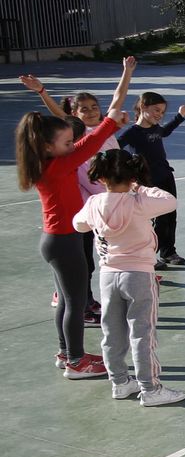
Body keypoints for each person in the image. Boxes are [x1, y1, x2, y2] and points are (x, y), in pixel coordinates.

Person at [15, 62, 137, 378]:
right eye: (66, 143)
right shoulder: (55, 167)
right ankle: (77, 361)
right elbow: (90, 145)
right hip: (65, 241)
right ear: (47, 146)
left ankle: (66, 353)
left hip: (55, 240)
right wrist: (110, 122)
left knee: (67, 302)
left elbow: (82, 143)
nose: (71, 147)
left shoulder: (46, 163)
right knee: (76, 304)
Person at [72, 149, 185, 407]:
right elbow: (169, 200)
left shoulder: (94, 203)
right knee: (142, 333)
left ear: (101, 178)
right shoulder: (138, 202)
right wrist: (142, 189)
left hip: (108, 275)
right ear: (133, 175)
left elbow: (78, 224)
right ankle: (150, 388)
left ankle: (120, 383)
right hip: (139, 275)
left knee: (112, 333)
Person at [118, 92, 185, 268]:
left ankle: (168, 251)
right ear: (143, 107)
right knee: (148, 219)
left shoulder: (156, 128)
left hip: (165, 175)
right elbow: (116, 146)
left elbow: (165, 132)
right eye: (156, 110)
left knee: (170, 214)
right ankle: (148, 254)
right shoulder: (133, 132)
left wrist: (179, 117)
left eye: (162, 112)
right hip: (146, 180)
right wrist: (130, 169)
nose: (159, 114)